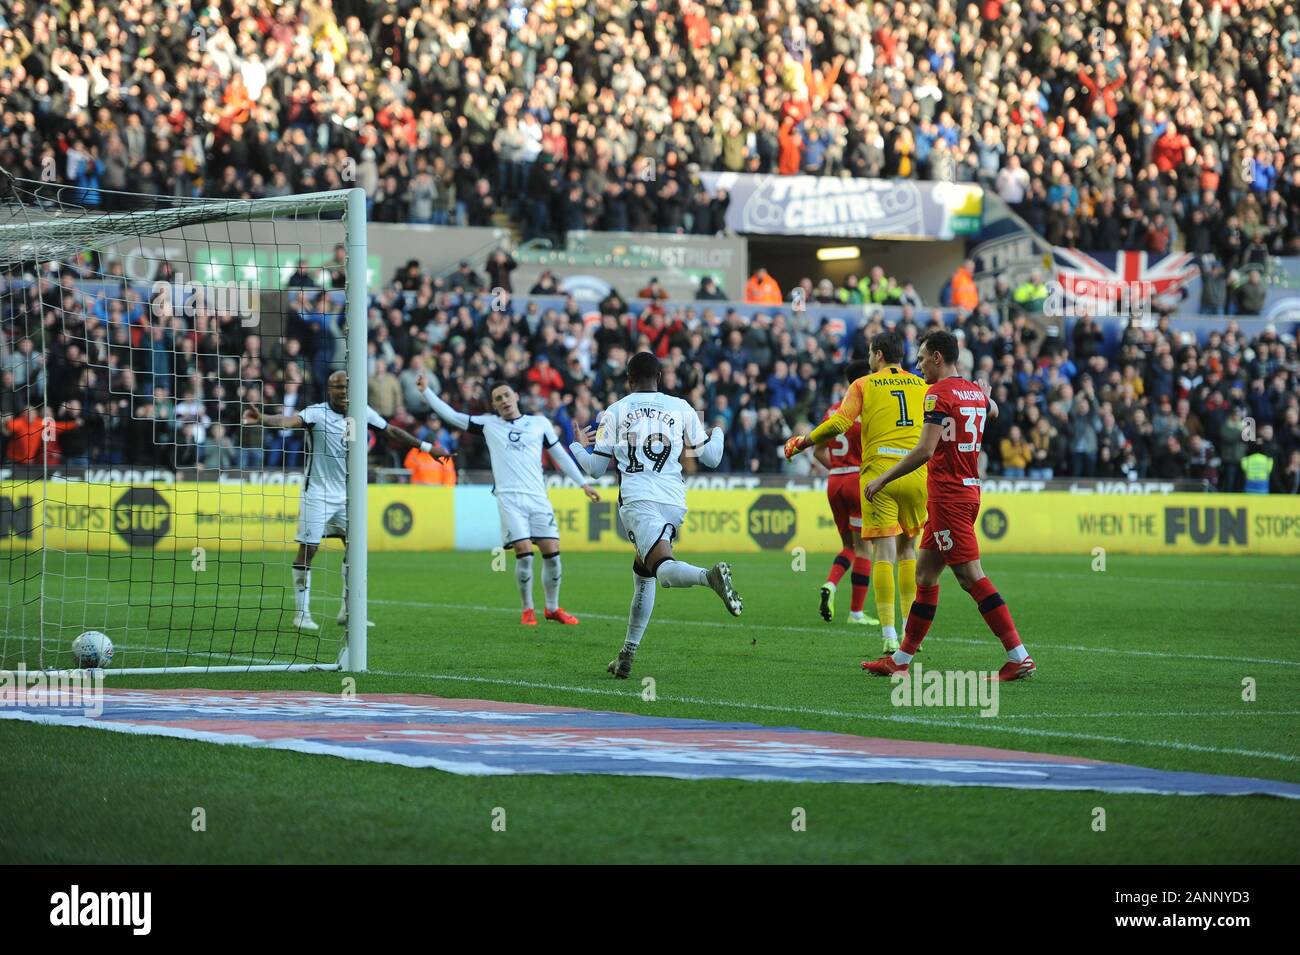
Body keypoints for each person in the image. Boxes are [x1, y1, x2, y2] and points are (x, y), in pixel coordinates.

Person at [861, 330, 1035, 681]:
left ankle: (1019, 656)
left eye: (923, 358)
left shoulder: (938, 394)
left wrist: (882, 479)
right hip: (967, 490)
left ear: (938, 357)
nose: (920, 365)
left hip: (949, 496)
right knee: (925, 575)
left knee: (971, 577)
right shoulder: (972, 390)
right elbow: (994, 410)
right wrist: (985, 400)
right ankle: (901, 660)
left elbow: (925, 450)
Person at [570, 351, 742, 678]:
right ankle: (626, 654)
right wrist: (718, 430)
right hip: (674, 501)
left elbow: (594, 469)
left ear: (629, 380)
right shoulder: (681, 407)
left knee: (662, 571)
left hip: (639, 500)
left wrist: (578, 445)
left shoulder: (615, 411)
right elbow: (712, 459)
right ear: (659, 378)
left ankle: (710, 578)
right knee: (643, 573)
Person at [245, 371, 443, 632]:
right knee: (309, 550)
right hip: (316, 493)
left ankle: (349, 611)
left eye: (347, 386)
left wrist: (427, 448)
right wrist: (262, 419)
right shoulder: (316, 413)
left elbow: (392, 431)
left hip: (348, 496)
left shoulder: (362, 411)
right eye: (338, 387)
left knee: (354, 550)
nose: (343, 391)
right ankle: (301, 613)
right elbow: (288, 421)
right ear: (330, 389)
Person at [785, 332, 928, 654]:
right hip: (916, 472)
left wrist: (802, 442)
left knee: (882, 554)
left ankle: (889, 634)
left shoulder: (863, 385)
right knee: (908, 553)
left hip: (879, 475)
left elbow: (838, 424)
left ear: (877, 355)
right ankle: (910, 633)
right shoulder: (921, 385)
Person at [420, 375, 598, 625]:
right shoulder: (489, 424)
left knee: (552, 552)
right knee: (524, 551)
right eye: (497, 399)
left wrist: (583, 483)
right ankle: (527, 609)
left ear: (516, 396)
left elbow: (559, 453)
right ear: (493, 405)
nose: (504, 401)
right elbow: (451, 415)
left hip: (538, 497)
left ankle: (552, 608)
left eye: (506, 395)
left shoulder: (539, 423)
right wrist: (427, 391)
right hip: (509, 498)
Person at [807, 359, 875, 626]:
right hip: (859, 480)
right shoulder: (867, 408)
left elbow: (817, 450)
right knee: (864, 549)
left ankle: (831, 584)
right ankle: (857, 612)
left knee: (848, 546)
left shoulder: (834, 410)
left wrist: (837, 468)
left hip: (835, 481)